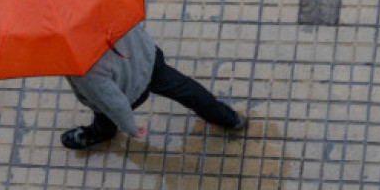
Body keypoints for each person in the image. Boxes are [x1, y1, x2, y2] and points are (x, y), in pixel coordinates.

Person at [61, 24, 247, 150]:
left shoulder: (83, 69)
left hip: (130, 90)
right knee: (185, 88)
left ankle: (101, 133)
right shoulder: (103, 8)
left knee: (105, 115)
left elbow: (114, 104)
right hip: (148, 58)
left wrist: (131, 128)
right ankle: (228, 118)